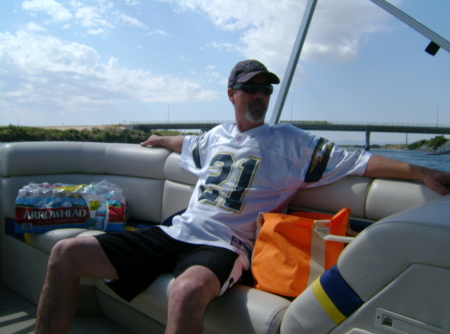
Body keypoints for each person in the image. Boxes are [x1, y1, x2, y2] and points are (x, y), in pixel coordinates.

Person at [35, 59, 450, 334]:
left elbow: (358, 160)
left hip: (226, 244)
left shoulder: (291, 142)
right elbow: (186, 143)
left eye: (266, 90)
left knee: (185, 291)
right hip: (176, 231)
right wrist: (160, 138)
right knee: (66, 254)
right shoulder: (215, 136)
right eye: (250, 89)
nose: (260, 96)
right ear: (231, 94)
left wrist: (421, 170)